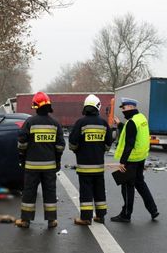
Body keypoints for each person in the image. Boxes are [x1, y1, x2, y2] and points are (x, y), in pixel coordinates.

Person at [15, 92, 65, 229]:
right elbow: (60, 146)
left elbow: (22, 142)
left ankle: (25, 220)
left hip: (31, 166)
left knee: (29, 192)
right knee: (50, 192)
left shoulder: (30, 122)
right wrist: (57, 161)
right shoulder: (55, 124)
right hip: (49, 166)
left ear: (36, 106)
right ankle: (51, 220)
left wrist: (22, 156)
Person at [111, 98, 159, 223]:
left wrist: (122, 161)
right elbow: (132, 133)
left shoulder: (132, 122)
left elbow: (130, 143)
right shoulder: (141, 118)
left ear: (131, 107)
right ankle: (153, 210)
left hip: (131, 159)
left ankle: (126, 215)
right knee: (140, 184)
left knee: (127, 186)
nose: (122, 110)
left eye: (124, 108)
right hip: (141, 157)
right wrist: (120, 124)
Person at [69, 94, 112, 225]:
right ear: (98, 107)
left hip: (84, 166)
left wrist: (78, 150)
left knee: (86, 191)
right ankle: (100, 216)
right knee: (99, 190)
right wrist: (100, 150)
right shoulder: (104, 123)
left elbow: (72, 143)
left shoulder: (80, 123)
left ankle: (86, 218)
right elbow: (108, 144)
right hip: (98, 166)